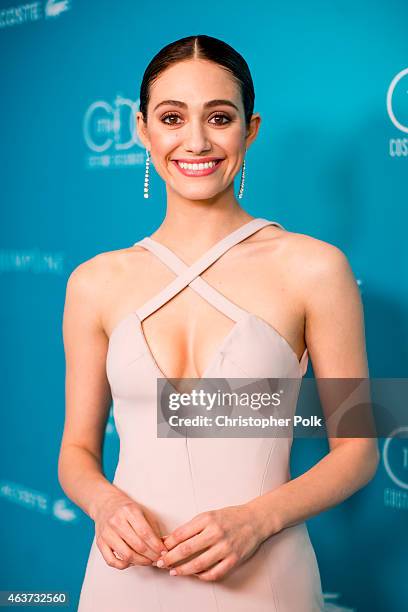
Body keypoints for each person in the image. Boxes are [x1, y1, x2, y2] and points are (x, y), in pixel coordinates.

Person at [58, 34, 379, 611]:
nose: (196, 141)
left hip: (264, 580)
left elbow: (356, 448)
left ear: (250, 129)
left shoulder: (314, 269)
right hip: (123, 580)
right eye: (172, 117)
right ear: (142, 130)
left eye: (220, 117)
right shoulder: (94, 282)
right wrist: (107, 506)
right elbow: (77, 453)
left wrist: (258, 519)